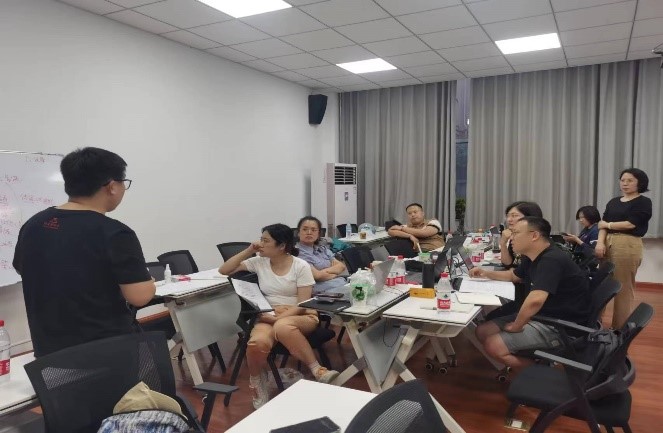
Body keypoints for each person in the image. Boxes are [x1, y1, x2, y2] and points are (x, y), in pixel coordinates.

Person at [13, 147, 155, 357]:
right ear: (112, 186)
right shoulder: (115, 232)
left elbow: (22, 268)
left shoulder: (33, 225)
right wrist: (149, 282)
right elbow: (140, 297)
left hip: (50, 355)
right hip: (106, 352)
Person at [219, 223, 339, 409]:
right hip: (270, 314)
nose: (260, 244)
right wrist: (249, 250)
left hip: (300, 314)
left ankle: (318, 370)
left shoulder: (300, 266)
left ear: (282, 246)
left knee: (283, 327)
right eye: (261, 239)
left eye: (266, 241)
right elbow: (224, 270)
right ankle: (257, 381)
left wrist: (277, 319)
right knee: (257, 343)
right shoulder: (259, 262)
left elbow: (303, 304)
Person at [471, 217, 590, 370]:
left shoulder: (551, 260)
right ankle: (533, 362)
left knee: (493, 345)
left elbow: (535, 300)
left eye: (515, 233)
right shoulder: (533, 256)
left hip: (558, 325)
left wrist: (517, 325)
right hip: (542, 315)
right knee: (482, 331)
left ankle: (549, 373)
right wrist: (485, 273)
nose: (511, 238)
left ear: (534, 235)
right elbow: (514, 276)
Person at [595, 168, 652, 329]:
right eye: (622, 180)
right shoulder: (613, 202)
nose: (625, 183)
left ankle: (618, 329)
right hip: (607, 241)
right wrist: (600, 243)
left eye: (630, 180)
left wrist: (608, 225)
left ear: (640, 183)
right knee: (602, 284)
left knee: (622, 287)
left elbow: (631, 224)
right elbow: (601, 225)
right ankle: (594, 322)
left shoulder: (643, 202)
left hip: (627, 243)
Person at [296, 216, 347, 294]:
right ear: (298, 233)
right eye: (305, 229)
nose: (309, 232)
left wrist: (323, 272)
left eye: (313, 230)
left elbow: (341, 266)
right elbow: (317, 276)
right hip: (322, 293)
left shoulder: (322, 249)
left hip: (339, 285)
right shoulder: (298, 253)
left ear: (318, 234)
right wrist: (335, 273)